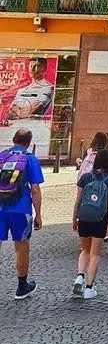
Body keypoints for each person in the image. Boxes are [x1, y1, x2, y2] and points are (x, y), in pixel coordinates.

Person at [0, 128, 44, 299]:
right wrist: (38, 214)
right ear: (28, 142)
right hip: (21, 209)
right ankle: (22, 286)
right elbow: (35, 190)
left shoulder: (2, 156)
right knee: (22, 246)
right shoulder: (30, 159)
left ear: (13, 139)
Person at [71, 146, 108, 299]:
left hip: (84, 217)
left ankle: (79, 276)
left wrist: (74, 218)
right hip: (100, 218)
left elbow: (78, 200)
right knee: (95, 253)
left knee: (85, 250)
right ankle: (89, 287)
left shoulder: (85, 177)